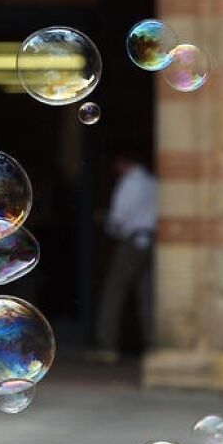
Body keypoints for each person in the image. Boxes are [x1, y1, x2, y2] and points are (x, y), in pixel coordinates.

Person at [94, 151, 157, 362]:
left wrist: (107, 224)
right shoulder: (152, 182)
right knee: (146, 294)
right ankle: (153, 345)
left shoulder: (129, 184)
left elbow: (119, 218)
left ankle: (107, 346)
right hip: (150, 241)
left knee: (114, 291)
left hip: (130, 243)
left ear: (122, 162)